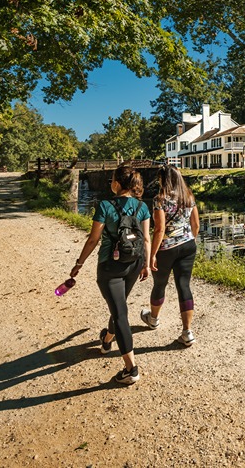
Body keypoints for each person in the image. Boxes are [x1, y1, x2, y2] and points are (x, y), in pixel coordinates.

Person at [70, 164, 151, 385]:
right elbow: (145, 239)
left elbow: (93, 239)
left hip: (110, 266)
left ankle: (131, 369)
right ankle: (107, 340)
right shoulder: (142, 207)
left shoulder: (105, 205)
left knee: (120, 313)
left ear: (117, 183)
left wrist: (79, 263)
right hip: (134, 264)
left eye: (112, 180)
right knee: (120, 305)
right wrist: (146, 263)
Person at [141, 165, 200, 346]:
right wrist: (189, 241)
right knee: (184, 285)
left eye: (159, 179)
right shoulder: (188, 197)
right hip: (188, 245)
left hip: (166, 248)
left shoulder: (160, 199)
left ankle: (153, 319)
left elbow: (159, 229)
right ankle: (187, 332)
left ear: (163, 180)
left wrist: (152, 254)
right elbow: (196, 225)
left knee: (160, 284)